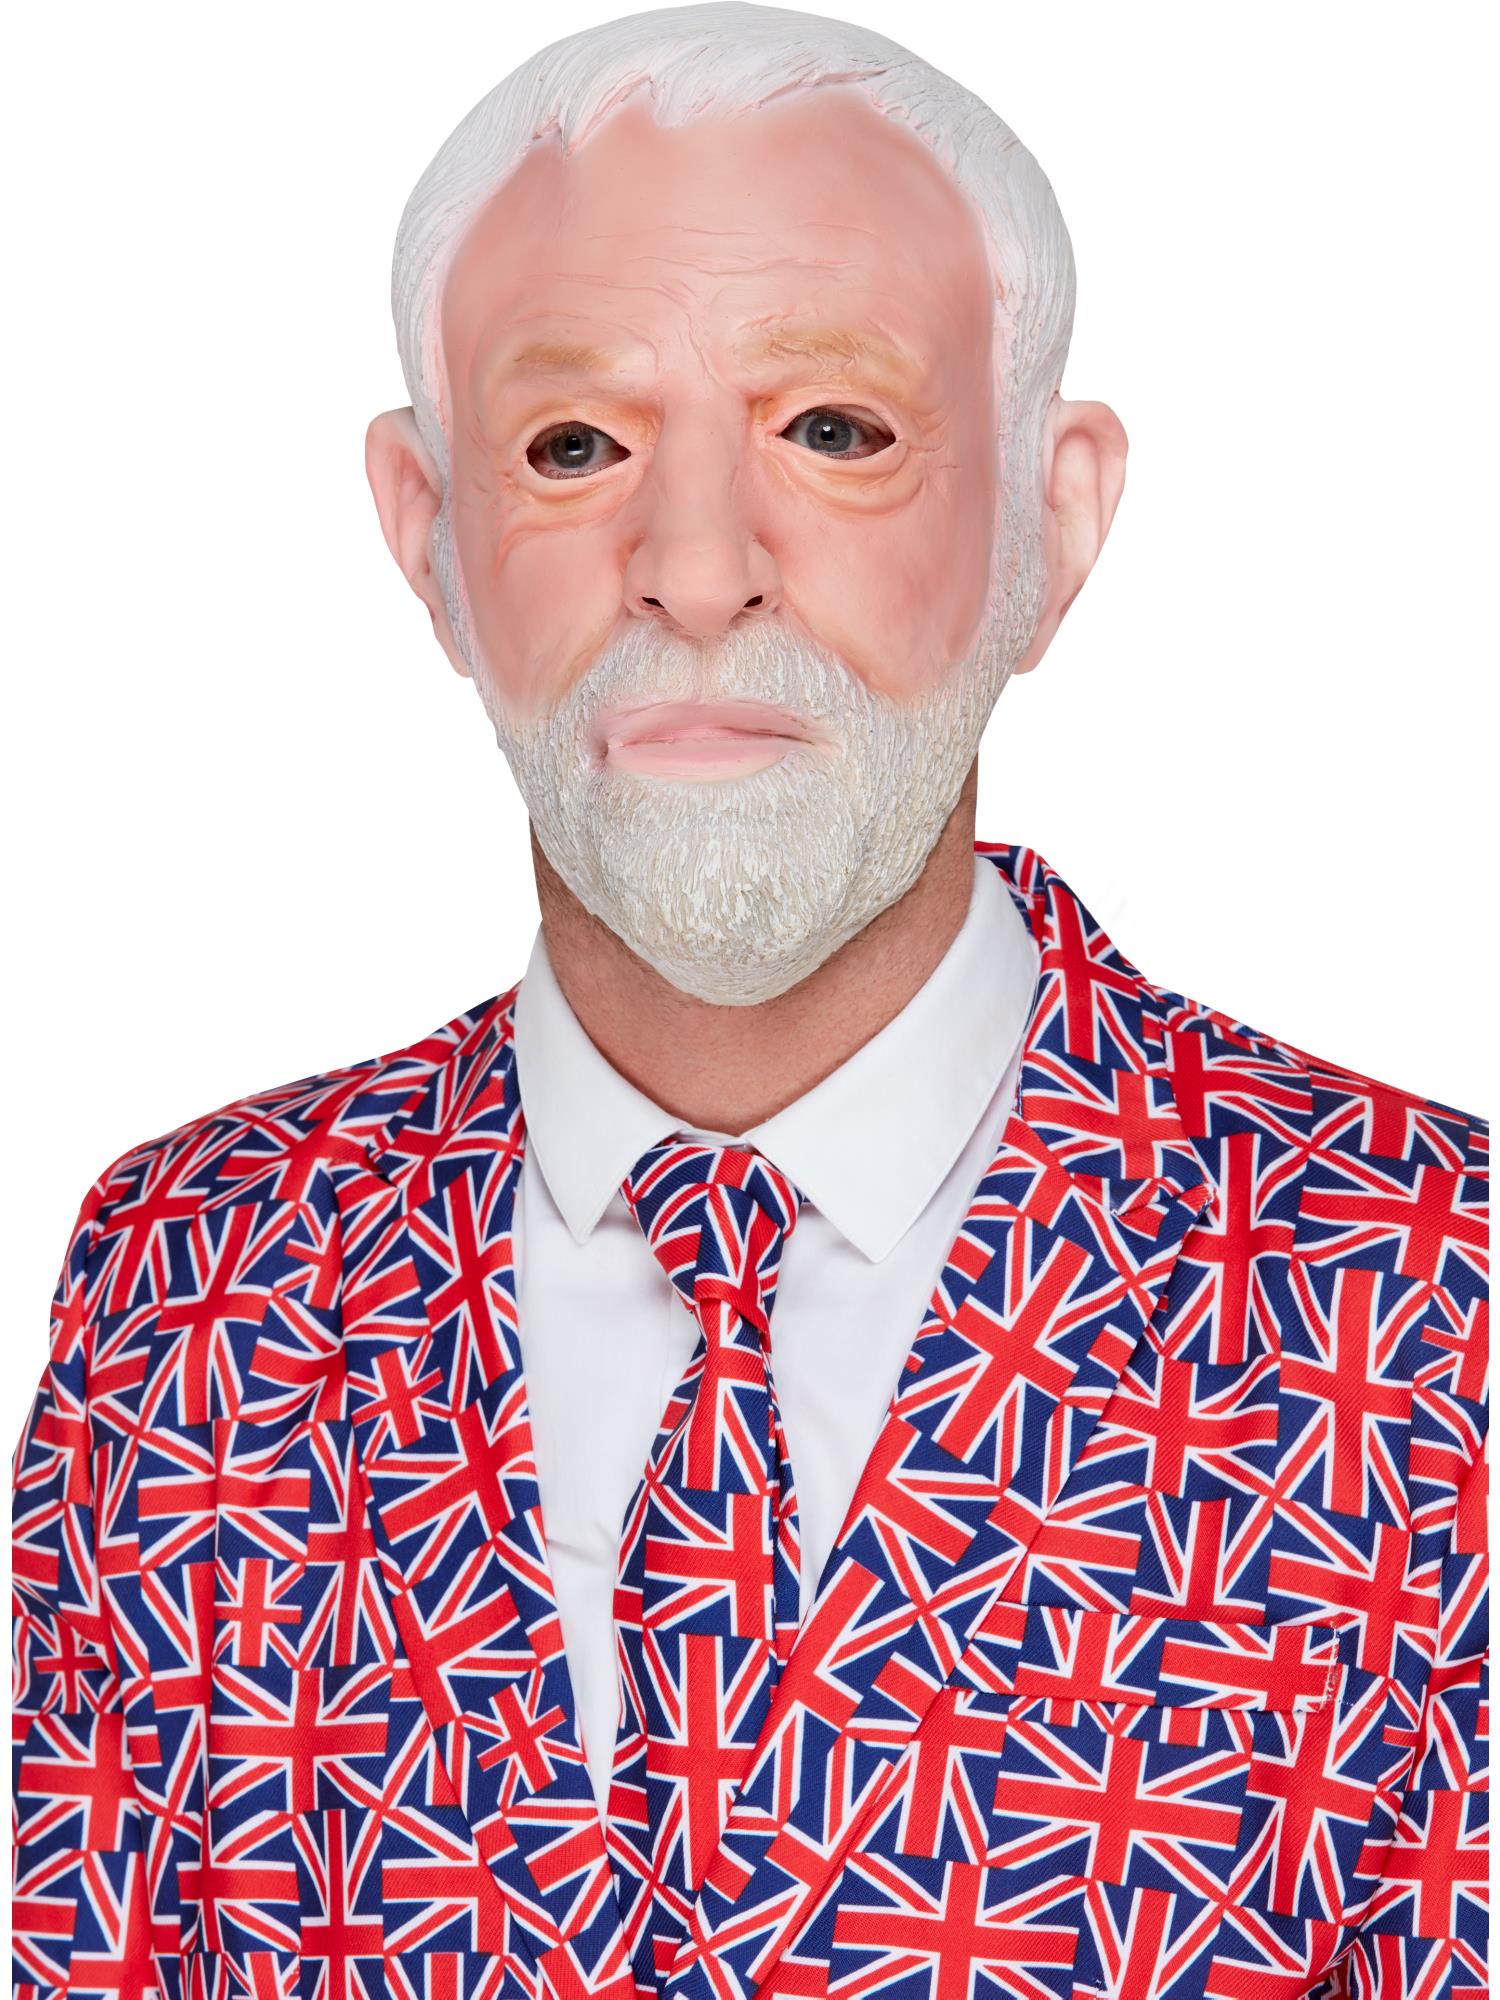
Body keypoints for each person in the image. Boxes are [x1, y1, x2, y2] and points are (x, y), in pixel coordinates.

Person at [11, 7, 1487, 1999]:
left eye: (836, 430)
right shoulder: (185, 1290)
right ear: (432, 538)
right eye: (574, 447)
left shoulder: (1436, 1305)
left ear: (1049, 526)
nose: (697, 570)